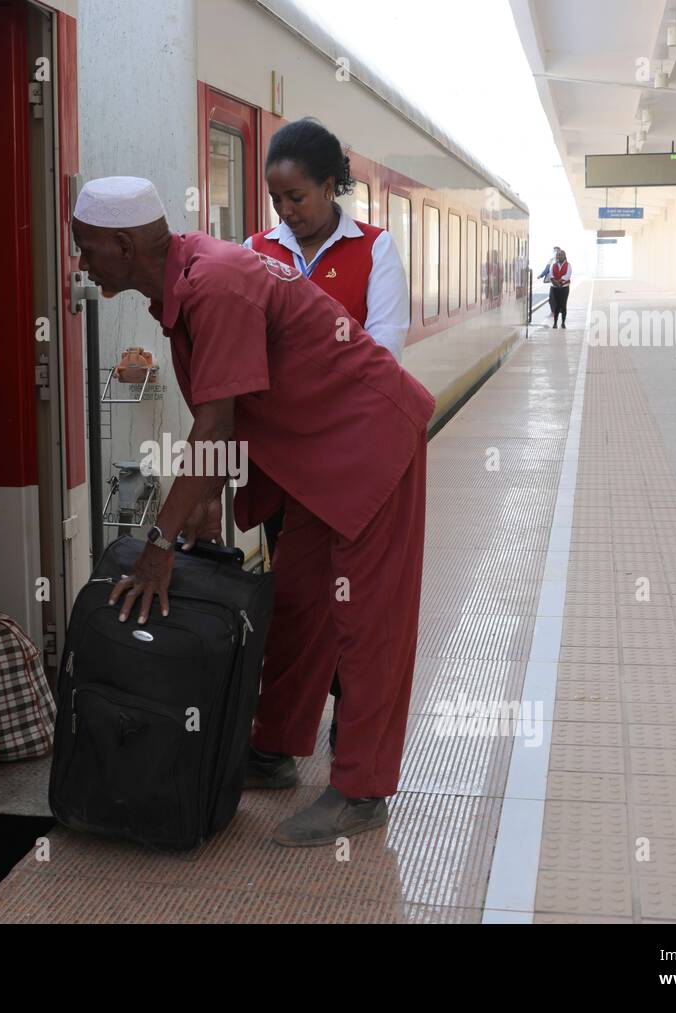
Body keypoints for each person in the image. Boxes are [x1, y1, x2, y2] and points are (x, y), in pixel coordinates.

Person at [71, 176, 434, 847]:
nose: (82, 265)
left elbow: (213, 425)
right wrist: (204, 496)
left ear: (123, 245)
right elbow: (230, 408)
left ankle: (363, 788)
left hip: (370, 443)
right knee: (299, 604)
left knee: (366, 622)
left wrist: (161, 540)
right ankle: (272, 749)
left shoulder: (217, 282)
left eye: (87, 250)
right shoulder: (189, 279)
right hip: (319, 458)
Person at [244, 118, 412, 752]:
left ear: (329, 185)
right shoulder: (255, 250)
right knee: (293, 598)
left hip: (348, 464)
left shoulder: (375, 250)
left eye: (298, 198)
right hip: (282, 465)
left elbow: (383, 358)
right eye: (277, 201)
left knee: (349, 600)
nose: (287, 213)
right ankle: (283, 736)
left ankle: (349, 724)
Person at [549, 248, 571, 328]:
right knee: (556, 305)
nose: (560, 256)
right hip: (555, 288)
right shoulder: (553, 264)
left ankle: (563, 323)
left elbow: (567, 275)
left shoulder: (568, 265)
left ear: (564, 256)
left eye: (561, 255)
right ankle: (555, 323)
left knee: (563, 304)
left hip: (564, 288)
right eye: (558, 255)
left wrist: (560, 281)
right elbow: (551, 274)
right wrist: (554, 281)